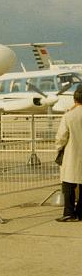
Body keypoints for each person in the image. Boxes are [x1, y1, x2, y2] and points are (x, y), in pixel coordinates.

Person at [55, 85, 82, 221]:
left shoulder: (69, 115)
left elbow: (61, 137)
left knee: (68, 184)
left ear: (74, 99)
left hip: (72, 154)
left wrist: (58, 148)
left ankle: (70, 213)